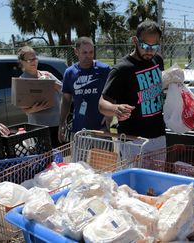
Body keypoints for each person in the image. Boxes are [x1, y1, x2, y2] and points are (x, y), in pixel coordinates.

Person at [99, 19, 166, 156]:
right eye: (145, 45)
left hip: (159, 135)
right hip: (132, 139)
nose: (149, 51)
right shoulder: (121, 69)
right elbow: (101, 104)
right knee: (133, 177)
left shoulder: (157, 60)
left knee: (157, 177)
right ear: (135, 40)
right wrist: (115, 109)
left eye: (154, 47)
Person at [58, 37, 111, 143]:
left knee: (101, 160)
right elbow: (66, 101)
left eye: (91, 52)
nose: (88, 56)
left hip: (101, 131)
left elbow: (114, 93)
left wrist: (109, 115)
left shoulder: (104, 70)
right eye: (84, 52)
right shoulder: (70, 73)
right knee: (78, 160)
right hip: (79, 130)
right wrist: (62, 123)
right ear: (76, 52)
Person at [17, 46, 63, 147]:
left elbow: (63, 90)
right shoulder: (22, 81)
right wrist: (35, 108)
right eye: (30, 60)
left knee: (59, 155)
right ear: (22, 62)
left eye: (35, 58)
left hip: (57, 123)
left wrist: (51, 83)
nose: (34, 62)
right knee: (44, 157)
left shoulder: (47, 74)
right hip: (39, 127)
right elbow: (25, 109)